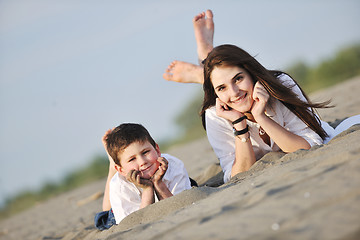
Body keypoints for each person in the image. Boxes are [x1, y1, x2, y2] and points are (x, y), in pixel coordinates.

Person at [163, 10, 360, 183]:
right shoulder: (216, 113)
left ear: (251, 73)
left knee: (224, 82)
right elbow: (236, 175)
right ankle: (204, 66)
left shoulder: (280, 85)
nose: (233, 92)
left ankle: (203, 68)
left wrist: (262, 117)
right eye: (221, 88)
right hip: (223, 102)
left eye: (239, 78)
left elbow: (309, 145)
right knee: (223, 87)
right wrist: (240, 126)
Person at [95, 123, 192, 230]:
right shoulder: (120, 186)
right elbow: (137, 223)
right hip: (130, 209)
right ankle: (113, 166)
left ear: (157, 150)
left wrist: (159, 184)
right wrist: (147, 189)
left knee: (191, 185)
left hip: (167, 191)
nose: (143, 162)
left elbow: (179, 206)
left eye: (145, 152)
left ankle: (119, 161)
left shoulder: (174, 164)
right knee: (105, 217)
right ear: (121, 170)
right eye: (132, 159)